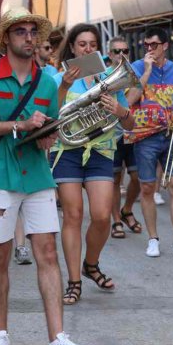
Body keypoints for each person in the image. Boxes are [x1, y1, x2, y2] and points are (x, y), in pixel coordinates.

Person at [0, 7, 93, 345]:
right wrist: (19, 125)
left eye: (32, 31)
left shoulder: (48, 82)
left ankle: (57, 341)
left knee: (47, 253)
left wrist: (45, 137)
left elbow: (46, 131)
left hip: (37, 175)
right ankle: (0, 336)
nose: (28, 37)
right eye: (20, 31)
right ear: (6, 38)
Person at [51, 24, 134, 305]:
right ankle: (74, 281)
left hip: (100, 150)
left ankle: (91, 264)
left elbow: (130, 123)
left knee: (101, 216)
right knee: (73, 215)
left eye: (92, 44)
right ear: (72, 48)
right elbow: (51, 111)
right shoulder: (56, 76)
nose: (87, 49)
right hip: (67, 151)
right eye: (82, 44)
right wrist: (64, 84)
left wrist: (121, 110)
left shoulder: (110, 78)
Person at [126, 28, 173, 259]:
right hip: (145, 137)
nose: (149, 49)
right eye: (146, 45)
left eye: (154, 45)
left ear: (165, 45)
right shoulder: (137, 67)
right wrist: (146, 71)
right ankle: (153, 239)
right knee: (147, 187)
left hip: (170, 134)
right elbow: (130, 100)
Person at [108, 37, 142, 238]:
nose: (122, 55)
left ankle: (127, 209)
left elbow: (137, 96)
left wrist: (145, 73)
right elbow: (128, 101)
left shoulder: (134, 73)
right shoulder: (104, 75)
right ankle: (116, 220)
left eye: (125, 50)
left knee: (138, 178)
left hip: (133, 132)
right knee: (115, 179)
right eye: (117, 51)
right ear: (110, 54)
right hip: (113, 134)